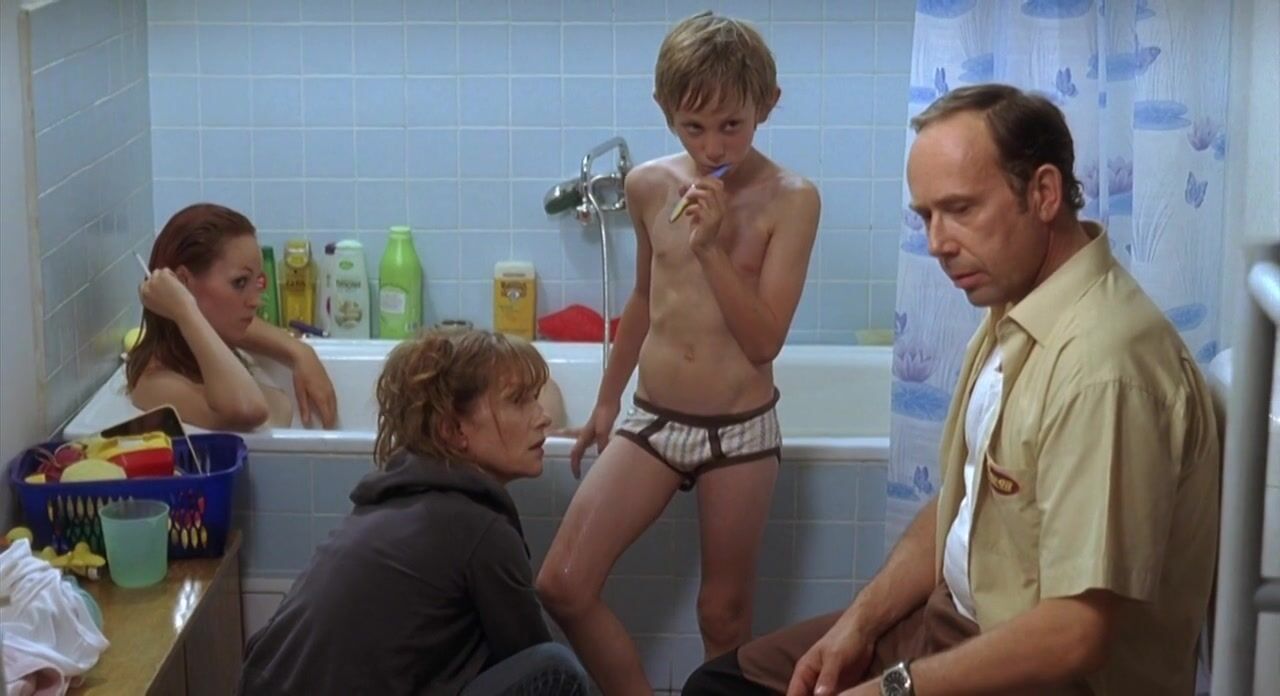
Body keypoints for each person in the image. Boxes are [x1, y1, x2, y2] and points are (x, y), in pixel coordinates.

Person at [683, 84, 1221, 696]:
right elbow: (960, 503)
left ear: (1044, 194)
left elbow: (1076, 635)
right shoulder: (1017, 311)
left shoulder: (1104, 369)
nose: (937, 242)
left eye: (960, 209)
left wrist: (892, 690)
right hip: (955, 622)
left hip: (1042, 678)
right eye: (926, 216)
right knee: (719, 686)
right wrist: (857, 625)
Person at [535, 11, 821, 695]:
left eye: (732, 124)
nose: (713, 144)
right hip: (653, 419)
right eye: (693, 127)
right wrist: (607, 401)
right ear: (665, 111)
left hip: (740, 431)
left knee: (723, 614)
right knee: (563, 583)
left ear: (767, 105)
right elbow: (642, 298)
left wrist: (711, 246)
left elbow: (764, 340)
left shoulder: (793, 200)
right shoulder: (646, 186)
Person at [238, 329, 590, 696]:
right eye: (519, 401)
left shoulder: (392, 504)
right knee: (556, 672)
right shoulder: (479, 529)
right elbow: (529, 652)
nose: (542, 417)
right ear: (452, 430)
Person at [127, 203, 336, 431]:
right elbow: (249, 410)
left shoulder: (220, 333)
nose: (256, 301)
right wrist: (184, 309)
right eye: (240, 283)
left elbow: (244, 329)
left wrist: (301, 353)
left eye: (256, 282)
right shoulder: (155, 384)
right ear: (183, 283)